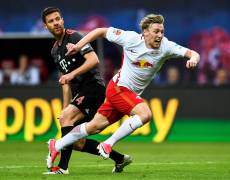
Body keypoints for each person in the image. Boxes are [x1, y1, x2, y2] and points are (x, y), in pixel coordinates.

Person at [47, 14, 200, 164]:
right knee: (145, 114)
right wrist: (79, 46)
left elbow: (193, 53)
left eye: (162, 31)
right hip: (118, 88)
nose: (160, 35)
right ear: (145, 32)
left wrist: (193, 59)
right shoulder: (130, 38)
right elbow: (100, 31)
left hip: (128, 95)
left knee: (94, 127)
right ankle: (107, 144)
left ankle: (57, 145)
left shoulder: (167, 47)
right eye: (156, 31)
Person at [42, 7, 132, 174]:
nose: (56, 23)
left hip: (93, 87)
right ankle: (119, 158)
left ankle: (62, 168)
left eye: (57, 19)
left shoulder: (74, 37)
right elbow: (65, 81)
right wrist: (65, 108)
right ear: (45, 26)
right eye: (51, 21)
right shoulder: (55, 50)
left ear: (62, 20)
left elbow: (93, 60)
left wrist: (72, 75)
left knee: (68, 120)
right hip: (79, 93)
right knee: (76, 142)